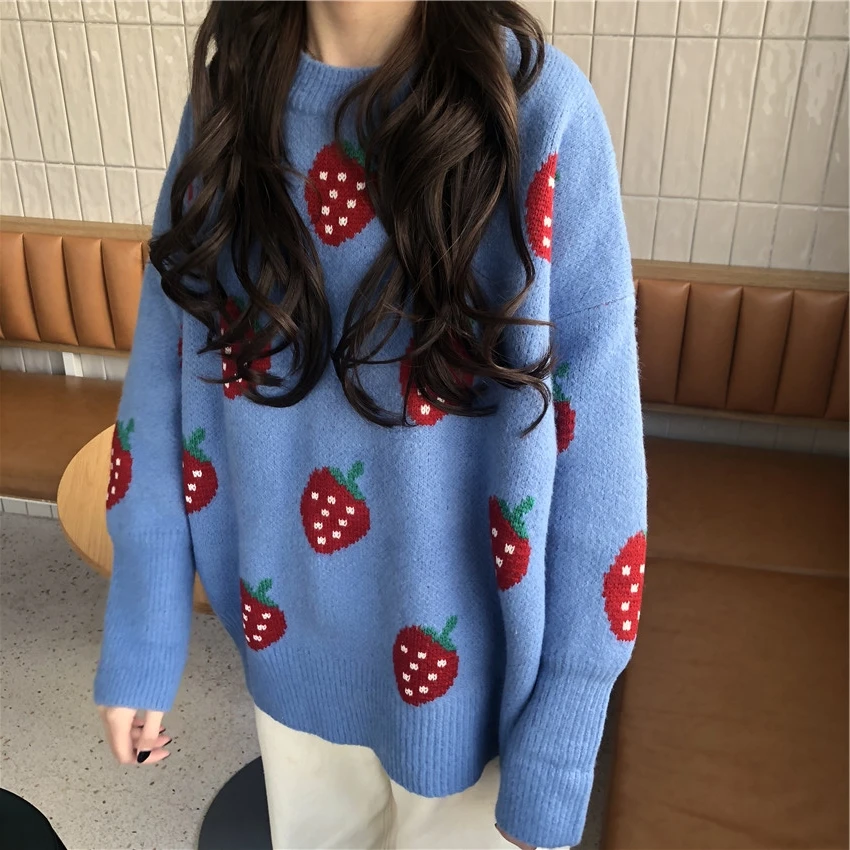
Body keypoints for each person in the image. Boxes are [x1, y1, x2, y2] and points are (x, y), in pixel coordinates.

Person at [94, 2, 647, 849]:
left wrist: (561, 744)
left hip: (479, 703)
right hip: (286, 666)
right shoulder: (229, 102)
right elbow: (163, 375)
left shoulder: (538, 112)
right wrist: (144, 622)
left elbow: (599, 469)